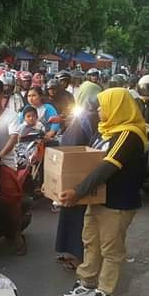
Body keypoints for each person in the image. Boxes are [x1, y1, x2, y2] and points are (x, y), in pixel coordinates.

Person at [59, 88, 147, 296]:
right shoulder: (105, 132)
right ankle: (87, 282)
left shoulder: (128, 134)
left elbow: (107, 166)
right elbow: (88, 162)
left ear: (116, 106)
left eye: (103, 106)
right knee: (90, 242)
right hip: (98, 199)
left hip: (118, 202)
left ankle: (106, 291)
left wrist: (77, 191)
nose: (98, 110)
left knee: (111, 248)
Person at [54, 95, 100, 271]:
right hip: (75, 173)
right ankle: (72, 252)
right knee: (72, 215)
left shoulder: (92, 121)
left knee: (80, 218)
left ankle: (79, 257)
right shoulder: (86, 120)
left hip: (82, 176)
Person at [0, 77, 26, 254]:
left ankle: (16, 235)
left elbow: (13, 138)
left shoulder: (11, 116)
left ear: (1, 95)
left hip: (5, 163)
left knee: (11, 199)